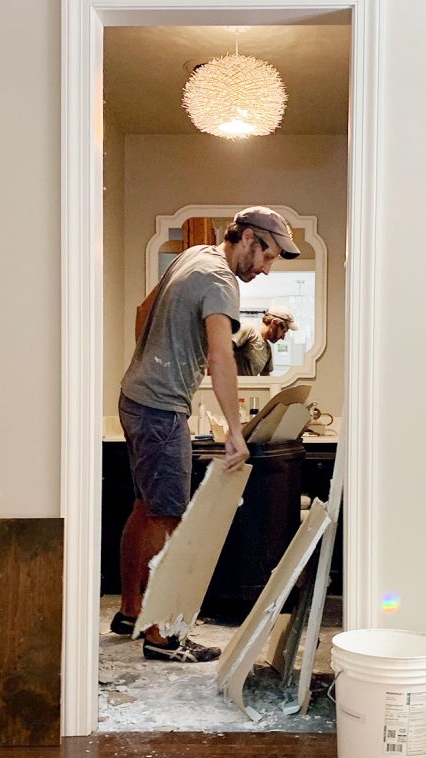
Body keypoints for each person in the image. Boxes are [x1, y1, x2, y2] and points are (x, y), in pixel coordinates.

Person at [113, 205, 300, 662]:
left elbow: (144, 311)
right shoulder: (221, 281)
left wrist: (153, 359)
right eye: (268, 255)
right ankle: (161, 634)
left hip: (135, 397)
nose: (267, 268)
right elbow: (220, 356)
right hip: (161, 410)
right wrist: (235, 432)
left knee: (147, 507)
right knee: (170, 518)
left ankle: (131, 611)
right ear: (249, 238)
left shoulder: (193, 254)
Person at [232, 306, 298, 376]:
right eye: (283, 331)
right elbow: (222, 351)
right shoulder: (248, 330)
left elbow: (266, 380)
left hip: (247, 387)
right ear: (274, 322)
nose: (283, 337)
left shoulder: (267, 349)